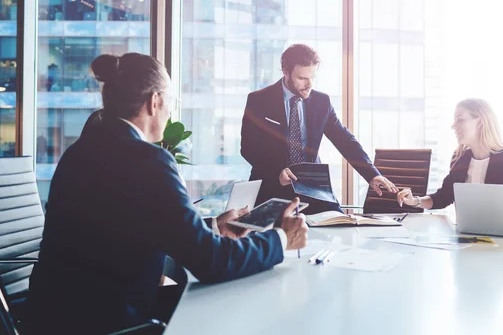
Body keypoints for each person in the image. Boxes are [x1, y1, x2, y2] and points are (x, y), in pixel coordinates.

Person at [25, 53, 308, 335]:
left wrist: (212, 227)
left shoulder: (79, 152)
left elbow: (128, 228)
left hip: (53, 317)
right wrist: (281, 238)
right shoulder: (148, 160)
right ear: (155, 101)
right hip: (110, 321)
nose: (169, 112)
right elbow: (209, 262)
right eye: (170, 103)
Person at [241, 44, 397, 215]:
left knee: (338, 222)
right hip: (272, 185)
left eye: (312, 77)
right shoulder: (259, 100)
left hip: (313, 186)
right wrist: (277, 171)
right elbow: (248, 148)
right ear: (285, 71)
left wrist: (372, 175)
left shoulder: (321, 102)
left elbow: (344, 140)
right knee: (274, 237)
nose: (309, 85)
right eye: (302, 78)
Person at [397, 98, 503, 221]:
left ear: (480, 122)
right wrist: (415, 201)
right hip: (468, 239)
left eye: (460, 120)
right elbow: (443, 197)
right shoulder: (460, 160)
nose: (453, 126)